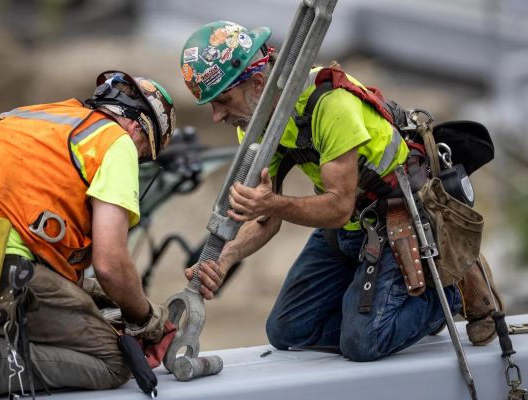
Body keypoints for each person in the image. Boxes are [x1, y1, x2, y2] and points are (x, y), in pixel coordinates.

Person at [180, 21, 503, 361]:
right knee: (287, 331)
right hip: (348, 228)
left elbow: (337, 207)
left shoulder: (331, 104)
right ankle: (387, 311)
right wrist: (226, 259)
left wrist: (273, 203)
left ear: (258, 82)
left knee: (364, 343)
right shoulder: (255, 124)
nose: (216, 116)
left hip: (398, 218)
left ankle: (451, 286)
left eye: (223, 100)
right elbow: (266, 220)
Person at [0, 70, 176, 397]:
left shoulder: (28, 118)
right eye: (143, 156)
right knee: (112, 360)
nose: (136, 162)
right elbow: (110, 263)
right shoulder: (116, 141)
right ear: (138, 129)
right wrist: (146, 317)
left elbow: (22, 222)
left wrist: (94, 292)